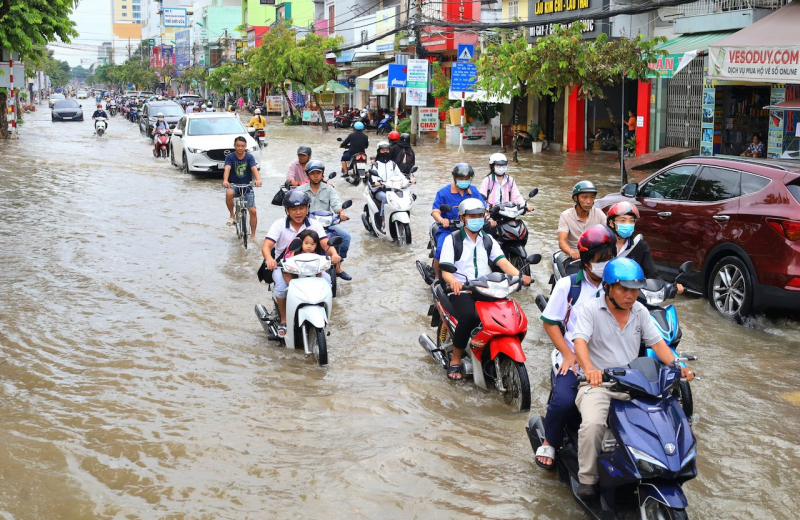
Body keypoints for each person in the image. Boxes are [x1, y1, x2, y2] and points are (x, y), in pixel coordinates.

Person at [572, 257, 695, 499]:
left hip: (634, 384)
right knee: (593, 424)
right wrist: (590, 370)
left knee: (665, 421)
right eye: (624, 289)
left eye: (635, 289)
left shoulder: (639, 311)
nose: (630, 295)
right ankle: (587, 478)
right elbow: (580, 343)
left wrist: (676, 365)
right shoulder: (589, 309)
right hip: (599, 385)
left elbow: (658, 344)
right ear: (608, 287)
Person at [534, 225, 617, 469]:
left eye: (610, 258)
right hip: (574, 359)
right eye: (600, 260)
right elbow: (550, 323)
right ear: (586, 262)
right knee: (563, 402)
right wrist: (568, 355)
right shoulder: (569, 286)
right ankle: (550, 440)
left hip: (611, 360)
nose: (605, 264)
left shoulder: (619, 286)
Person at [439, 198, 532, 380]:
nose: (477, 219)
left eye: (480, 216)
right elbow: (445, 270)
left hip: (487, 287)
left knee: (506, 313)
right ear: (463, 218)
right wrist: (453, 282)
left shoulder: (488, 239)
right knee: (469, 316)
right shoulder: (452, 240)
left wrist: (520, 277)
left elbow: (503, 263)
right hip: (462, 289)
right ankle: (456, 358)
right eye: (472, 216)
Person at [262, 190, 341, 337]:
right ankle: (284, 320)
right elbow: (266, 246)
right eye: (294, 209)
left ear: (307, 208)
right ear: (287, 210)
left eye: (302, 208)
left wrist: (335, 254)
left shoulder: (314, 225)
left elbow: (326, 245)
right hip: (284, 266)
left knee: (327, 281)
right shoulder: (278, 225)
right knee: (281, 286)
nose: (298, 212)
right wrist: (269, 259)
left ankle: (324, 318)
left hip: (311, 267)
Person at [605, 201, 685, 294]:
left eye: (631, 221)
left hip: (630, 293)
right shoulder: (601, 244)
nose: (627, 224)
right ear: (611, 223)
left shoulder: (640, 246)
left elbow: (653, 275)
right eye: (622, 220)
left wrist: (671, 286)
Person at [298, 160, 352, 281]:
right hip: (307, 225)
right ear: (308, 175)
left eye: (318, 173)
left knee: (346, 237)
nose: (316, 176)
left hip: (326, 225)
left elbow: (336, 203)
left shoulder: (329, 189)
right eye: (313, 173)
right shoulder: (301, 190)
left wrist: (341, 213)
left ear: (323, 174)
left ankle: (338, 267)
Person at [431, 163, 486, 279]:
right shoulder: (443, 192)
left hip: (470, 228)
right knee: (440, 250)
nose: (464, 181)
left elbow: (484, 208)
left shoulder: (474, 191)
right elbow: (435, 211)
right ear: (455, 178)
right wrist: (442, 220)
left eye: (467, 178)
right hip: (448, 229)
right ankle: (436, 277)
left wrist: (489, 218)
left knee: (486, 246)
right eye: (461, 178)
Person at [222, 136, 262, 238]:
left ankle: (253, 235)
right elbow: (227, 169)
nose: (240, 148)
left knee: (253, 211)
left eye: (242, 146)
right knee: (229, 193)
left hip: (247, 186)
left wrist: (258, 180)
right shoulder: (230, 157)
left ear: (245, 146)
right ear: (234, 146)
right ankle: (232, 215)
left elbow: (254, 168)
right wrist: (226, 181)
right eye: (238, 146)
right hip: (235, 186)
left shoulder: (249, 157)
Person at [558, 181, 606, 260]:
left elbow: (609, 234)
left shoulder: (599, 213)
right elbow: (562, 241)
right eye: (584, 197)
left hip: (595, 257)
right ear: (576, 198)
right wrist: (572, 253)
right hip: (574, 258)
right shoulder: (565, 215)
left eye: (592, 197)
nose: (589, 201)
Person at [369, 141, 406, 231]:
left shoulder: (392, 164)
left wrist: (407, 181)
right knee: (385, 198)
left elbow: (400, 175)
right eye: (383, 150)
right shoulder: (376, 165)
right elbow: (372, 178)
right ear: (379, 151)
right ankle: (384, 220)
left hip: (392, 189)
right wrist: (376, 182)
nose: (385, 152)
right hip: (379, 190)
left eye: (387, 150)